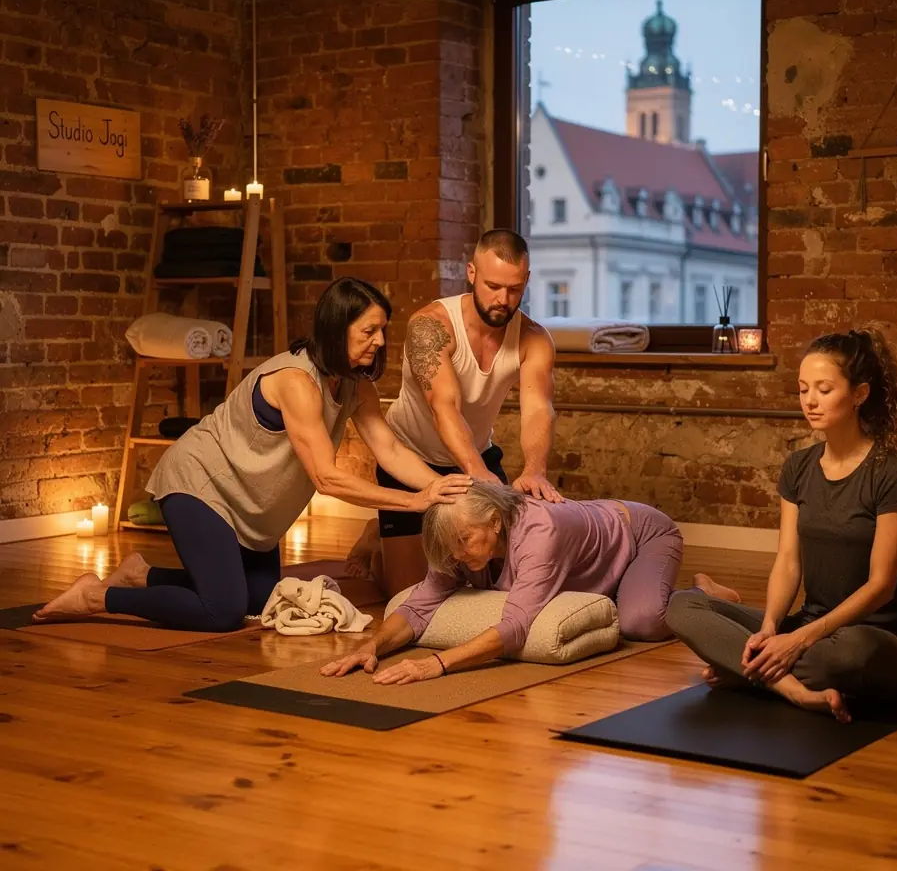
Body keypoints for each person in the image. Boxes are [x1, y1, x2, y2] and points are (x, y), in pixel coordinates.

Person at [33, 278, 470, 631]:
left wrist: (436, 484)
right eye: (368, 331)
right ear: (338, 329)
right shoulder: (297, 382)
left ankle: (141, 574)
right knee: (221, 612)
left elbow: (389, 447)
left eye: (382, 331)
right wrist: (413, 501)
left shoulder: (356, 384)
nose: (378, 341)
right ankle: (98, 596)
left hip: (252, 508)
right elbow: (326, 477)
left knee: (260, 604)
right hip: (202, 486)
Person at [667, 328, 897, 723]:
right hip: (806, 627)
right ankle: (794, 691)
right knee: (683, 607)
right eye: (803, 389)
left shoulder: (892, 474)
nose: (810, 400)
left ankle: (743, 670)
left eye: (824, 389)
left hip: (878, 638)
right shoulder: (799, 467)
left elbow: (881, 586)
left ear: (860, 394)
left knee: (848, 655)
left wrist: (800, 639)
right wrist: (771, 629)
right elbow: (788, 562)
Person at [319, 481, 684, 684]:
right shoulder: (461, 541)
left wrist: (436, 664)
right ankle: (638, 590)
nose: (458, 555)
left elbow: (516, 627)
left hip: (641, 534)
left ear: (495, 522)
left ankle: (701, 596)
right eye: (452, 547)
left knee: (641, 622)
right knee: (628, 606)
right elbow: (419, 604)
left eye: (465, 541)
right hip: (592, 547)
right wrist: (371, 646)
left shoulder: (542, 532)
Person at [372, 229, 562, 596]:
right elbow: (445, 408)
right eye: (492, 286)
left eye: (514, 289)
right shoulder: (430, 327)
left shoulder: (535, 338)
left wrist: (535, 470)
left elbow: (538, 408)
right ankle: (374, 541)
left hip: (477, 453)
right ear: (471, 273)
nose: (502, 300)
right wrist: (476, 474)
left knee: (502, 578)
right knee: (406, 595)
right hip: (410, 458)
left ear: (526, 281)